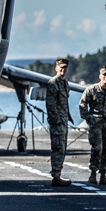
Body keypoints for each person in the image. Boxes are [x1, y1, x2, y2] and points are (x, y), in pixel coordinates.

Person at [79, 66, 106, 186]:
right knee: (97, 148)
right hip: (96, 123)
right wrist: (88, 118)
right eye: (104, 75)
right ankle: (93, 173)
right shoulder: (92, 90)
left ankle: (103, 175)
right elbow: (83, 104)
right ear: (100, 76)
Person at [45, 58, 72, 186]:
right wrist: (56, 120)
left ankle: (58, 174)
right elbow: (51, 105)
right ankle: (56, 175)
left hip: (63, 121)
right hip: (57, 122)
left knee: (62, 148)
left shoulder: (65, 83)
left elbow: (64, 103)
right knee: (57, 148)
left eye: (65, 67)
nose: (63, 69)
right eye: (60, 67)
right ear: (56, 68)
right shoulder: (53, 83)